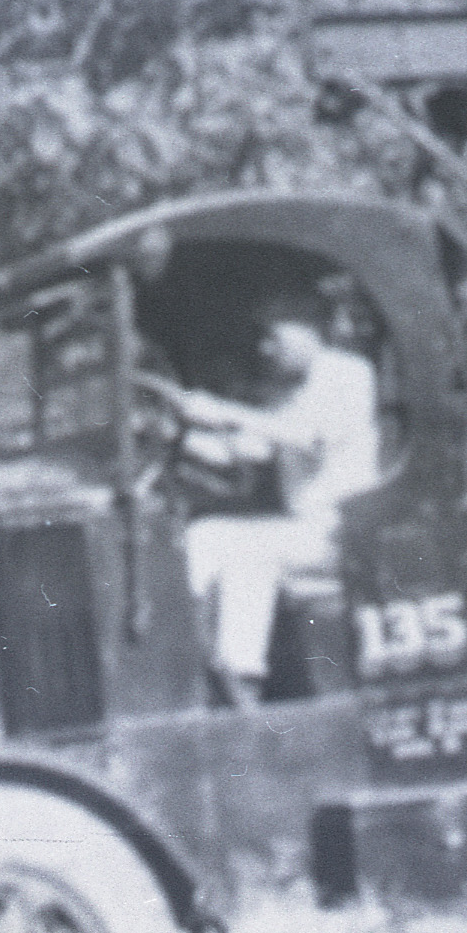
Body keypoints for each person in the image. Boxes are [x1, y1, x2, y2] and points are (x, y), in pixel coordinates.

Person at [169, 288, 382, 705]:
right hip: (305, 531)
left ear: (307, 329)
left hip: (343, 533)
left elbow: (308, 437)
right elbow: (255, 448)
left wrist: (223, 411)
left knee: (250, 553)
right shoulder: (294, 390)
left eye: (273, 336)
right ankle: (189, 661)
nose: (266, 349)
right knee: (205, 536)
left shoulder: (347, 373)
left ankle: (241, 677)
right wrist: (182, 435)